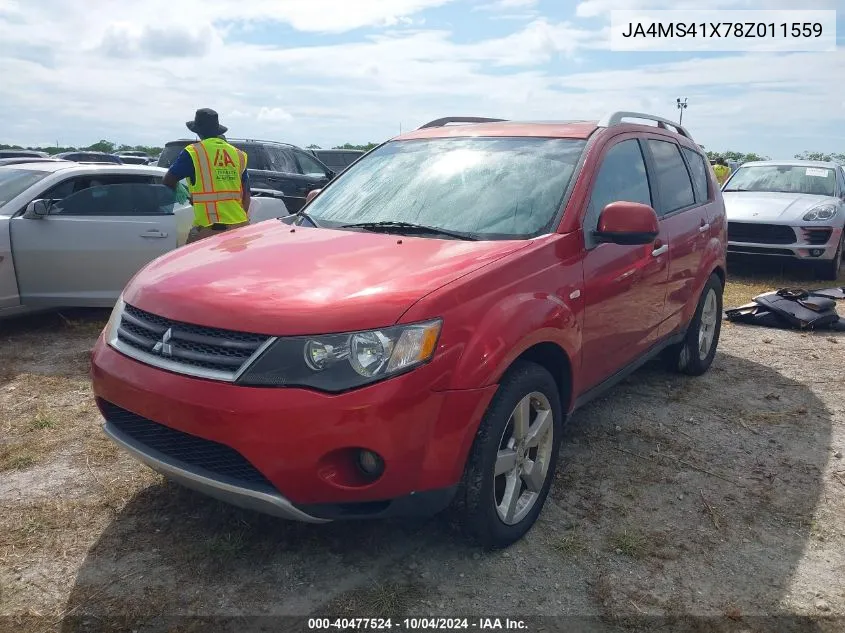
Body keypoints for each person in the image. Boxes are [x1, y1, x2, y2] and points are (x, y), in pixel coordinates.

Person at [163, 108, 251, 244]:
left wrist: (185, 193)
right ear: (218, 131)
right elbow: (246, 194)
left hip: (210, 231)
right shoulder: (239, 154)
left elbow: (168, 180)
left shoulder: (194, 152)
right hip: (240, 228)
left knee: (187, 262)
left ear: (197, 132)